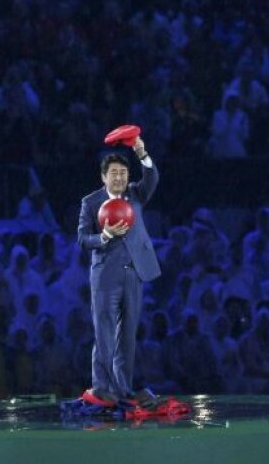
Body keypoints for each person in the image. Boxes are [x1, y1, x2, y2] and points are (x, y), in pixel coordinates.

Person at [77, 136, 160, 406]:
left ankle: (122, 387)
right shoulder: (90, 202)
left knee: (128, 334)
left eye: (123, 173)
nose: (119, 178)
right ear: (103, 177)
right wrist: (103, 236)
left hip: (134, 273)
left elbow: (152, 180)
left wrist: (142, 154)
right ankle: (101, 386)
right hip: (105, 276)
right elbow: (82, 240)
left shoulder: (135, 194)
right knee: (104, 330)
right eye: (114, 173)